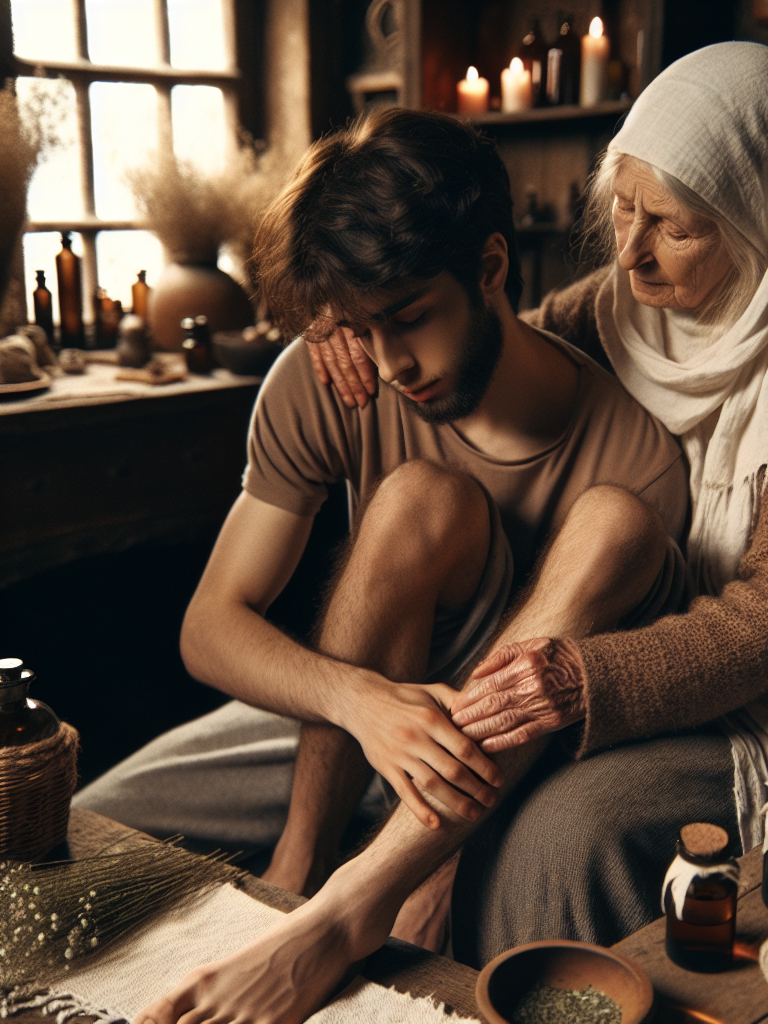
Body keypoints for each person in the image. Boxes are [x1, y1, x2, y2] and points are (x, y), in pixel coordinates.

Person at [312, 41, 768, 971]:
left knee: (558, 830)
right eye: (622, 209)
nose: (631, 250)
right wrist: (353, 324)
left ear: (760, 219)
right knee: (441, 769)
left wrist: (581, 682)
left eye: (673, 226)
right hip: (641, 630)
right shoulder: (614, 308)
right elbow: (497, 359)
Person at [72, 107, 719, 1024]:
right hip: (356, 706)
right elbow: (209, 627)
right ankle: (295, 873)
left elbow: (567, 702)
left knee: (544, 513)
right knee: (83, 828)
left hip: (507, 742)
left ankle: (348, 898)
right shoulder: (337, 371)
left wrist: (440, 861)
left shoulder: (639, 464)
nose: (387, 361)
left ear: (491, 269)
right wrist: (356, 700)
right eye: (357, 325)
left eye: (410, 318)